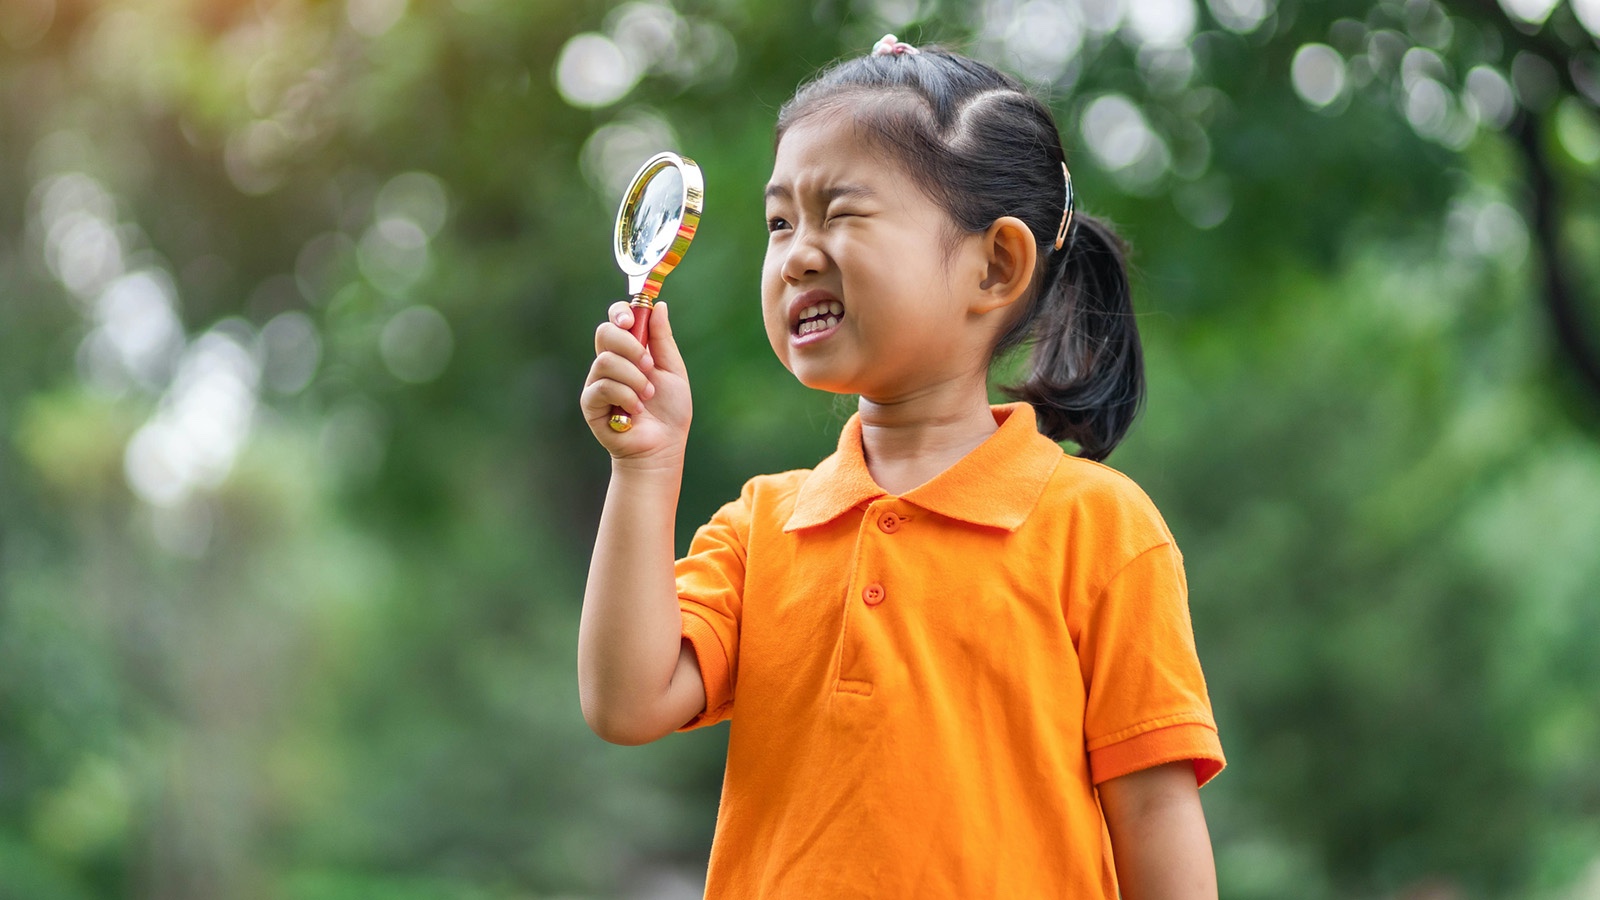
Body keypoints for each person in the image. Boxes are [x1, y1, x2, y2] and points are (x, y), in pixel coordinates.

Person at [578, 34, 1226, 900]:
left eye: (841, 212)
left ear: (995, 265)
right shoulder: (762, 529)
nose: (798, 253)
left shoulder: (1099, 528)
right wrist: (646, 469)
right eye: (779, 222)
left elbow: (1153, 816)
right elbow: (627, 703)